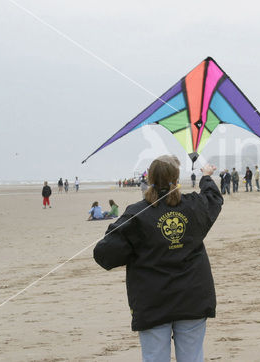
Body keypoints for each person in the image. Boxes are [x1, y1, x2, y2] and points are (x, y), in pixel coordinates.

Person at [94, 155, 223, 362]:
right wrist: (206, 176)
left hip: (171, 300)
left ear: (149, 178)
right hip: (173, 300)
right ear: (176, 178)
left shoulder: (150, 211)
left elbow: (213, 200)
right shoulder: (140, 213)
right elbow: (104, 255)